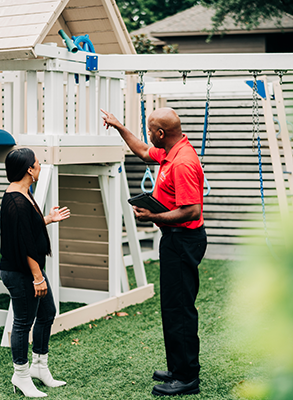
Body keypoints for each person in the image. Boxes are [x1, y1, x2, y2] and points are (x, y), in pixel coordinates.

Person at [101, 107, 207, 397]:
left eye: (150, 130)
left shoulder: (183, 162)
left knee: (180, 310)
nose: (148, 135)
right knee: (172, 308)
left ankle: (186, 378)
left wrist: (152, 217)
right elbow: (144, 152)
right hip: (175, 239)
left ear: (161, 133)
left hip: (183, 240)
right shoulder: (171, 150)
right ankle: (178, 368)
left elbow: (191, 210)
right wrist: (120, 127)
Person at [0, 147, 70, 398]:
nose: (40, 166)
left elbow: (27, 228)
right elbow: (25, 244)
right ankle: (20, 375)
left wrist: (47, 219)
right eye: (37, 163)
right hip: (21, 273)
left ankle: (40, 367)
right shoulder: (16, 201)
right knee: (22, 323)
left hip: (28, 270)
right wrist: (37, 277)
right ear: (29, 169)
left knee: (47, 312)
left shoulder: (23, 192)